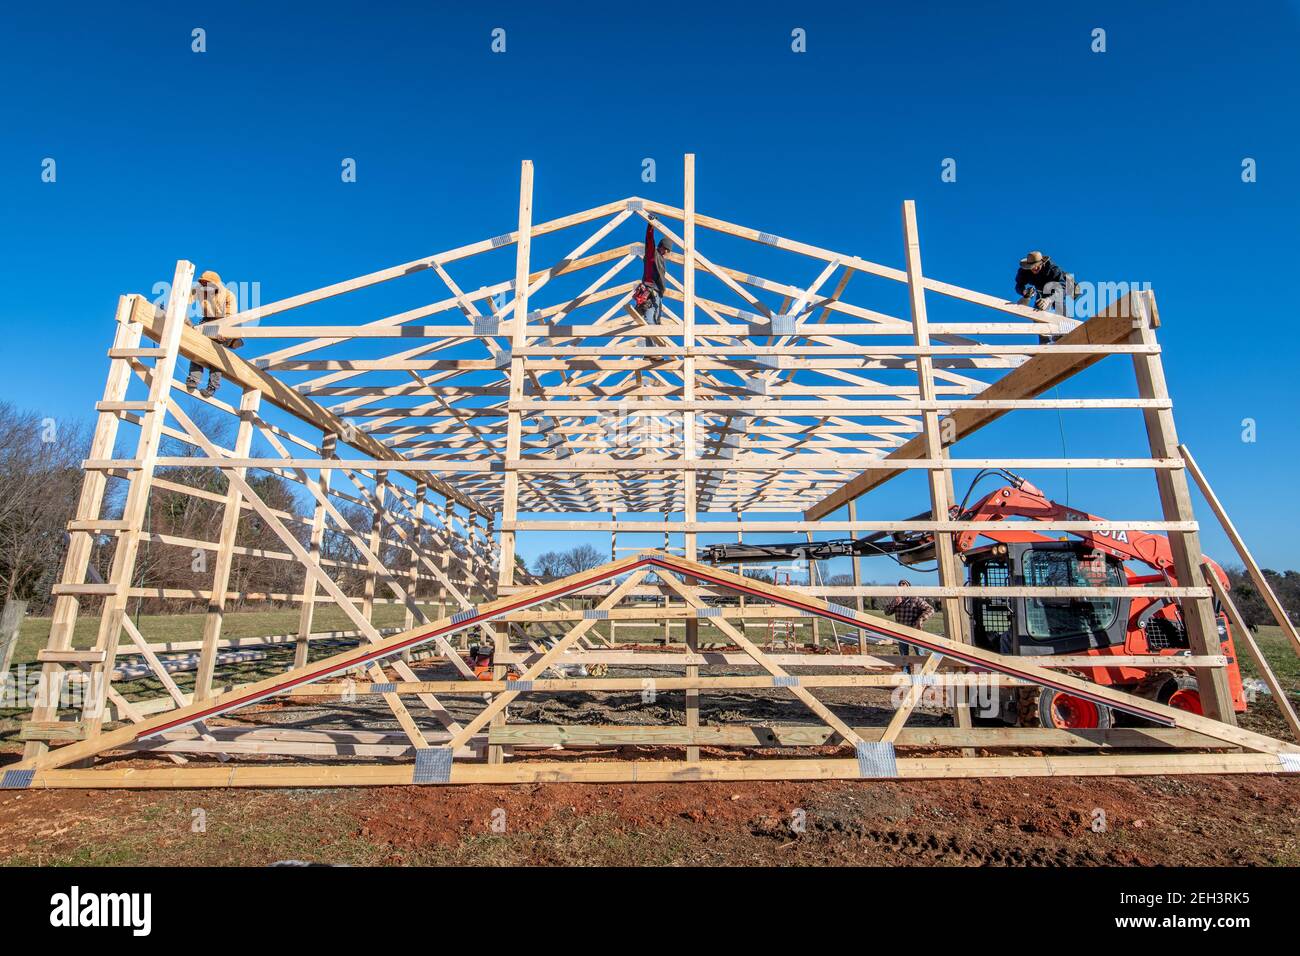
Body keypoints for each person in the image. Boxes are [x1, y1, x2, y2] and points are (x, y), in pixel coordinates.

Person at [186, 270, 244, 398]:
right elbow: (186, 297)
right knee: (198, 347)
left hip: (223, 322)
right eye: (203, 284)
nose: (205, 287)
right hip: (207, 321)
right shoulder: (201, 290)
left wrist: (225, 331)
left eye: (208, 284)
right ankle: (194, 378)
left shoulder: (229, 295)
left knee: (216, 354)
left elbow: (231, 316)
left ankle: (212, 386)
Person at [884, 580, 935, 670]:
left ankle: (921, 675)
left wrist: (921, 619)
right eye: (900, 586)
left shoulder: (915, 599)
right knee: (904, 655)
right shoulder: (897, 600)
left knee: (920, 654)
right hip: (901, 632)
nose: (902, 587)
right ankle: (906, 676)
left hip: (914, 631)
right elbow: (887, 612)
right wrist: (894, 603)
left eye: (904, 585)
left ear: (909, 588)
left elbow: (930, 609)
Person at [633, 224, 671, 322]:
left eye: (667, 251)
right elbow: (649, 240)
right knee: (650, 319)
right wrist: (651, 225)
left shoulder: (661, 261)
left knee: (657, 319)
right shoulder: (652, 254)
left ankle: (653, 333)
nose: (666, 252)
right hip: (650, 290)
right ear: (661, 246)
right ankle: (649, 334)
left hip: (658, 293)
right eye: (665, 249)